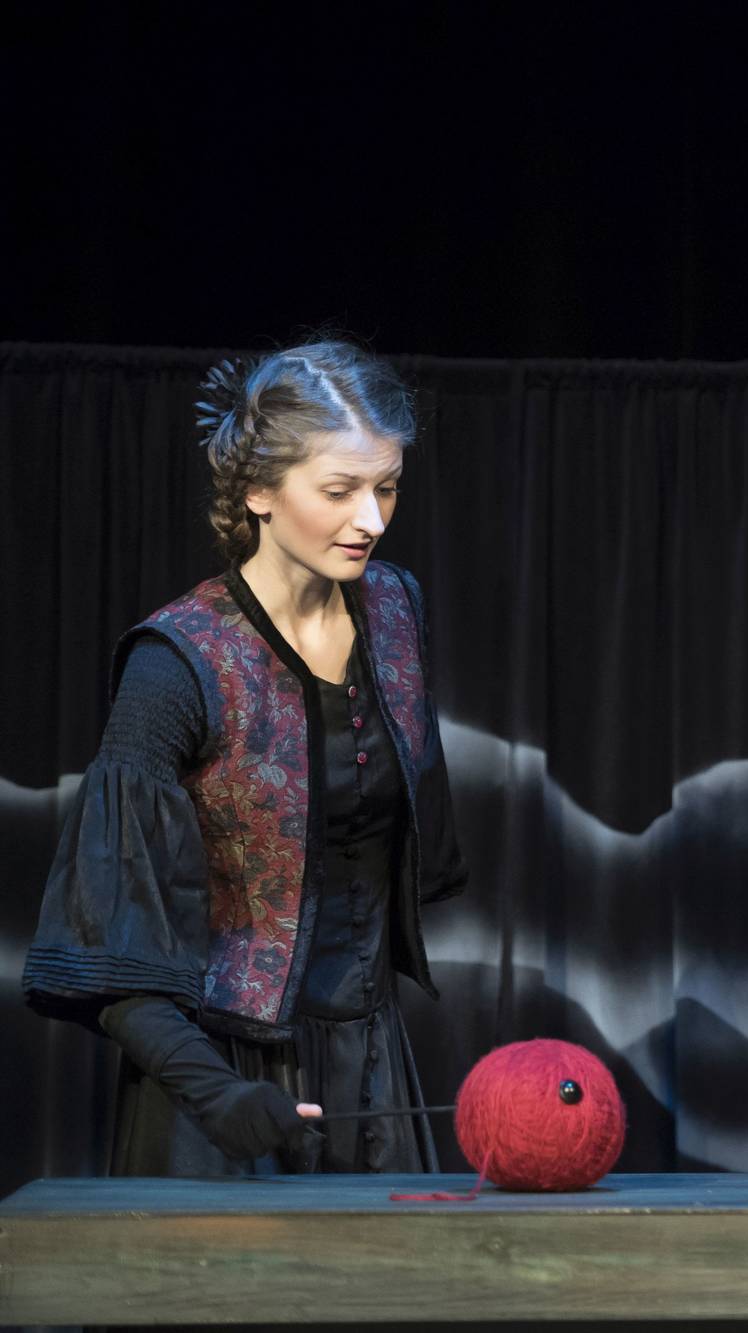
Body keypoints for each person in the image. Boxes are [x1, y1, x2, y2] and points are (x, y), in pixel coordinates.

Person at [21, 339, 468, 1175]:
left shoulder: (395, 611)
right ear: (258, 490)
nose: (371, 519)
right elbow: (104, 939)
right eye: (339, 490)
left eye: (387, 486)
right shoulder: (178, 662)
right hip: (217, 1087)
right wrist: (217, 1094)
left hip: (370, 1070)